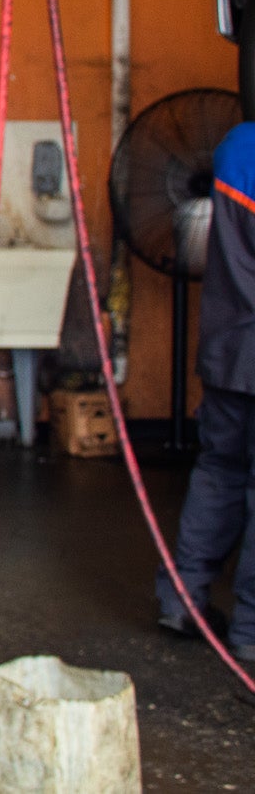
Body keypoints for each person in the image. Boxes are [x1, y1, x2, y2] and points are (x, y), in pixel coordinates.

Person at [154, 116, 255, 661]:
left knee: (218, 471)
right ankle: (252, 628)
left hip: (225, 350)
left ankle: (182, 598)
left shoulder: (234, 146)